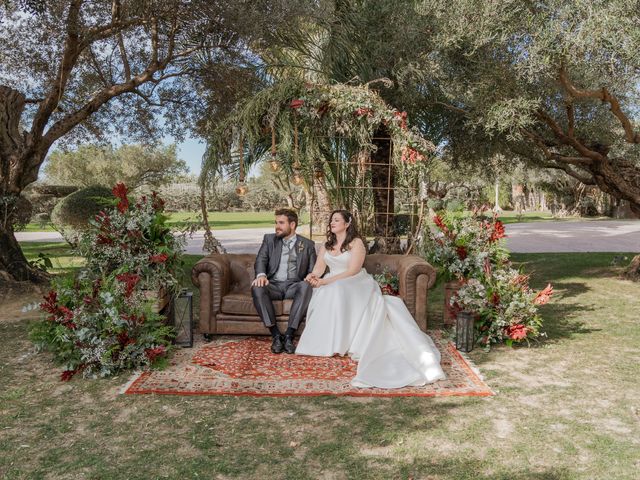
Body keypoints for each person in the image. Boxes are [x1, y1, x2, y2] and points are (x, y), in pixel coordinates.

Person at [296, 210, 446, 388]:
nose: (332, 223)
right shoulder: (326, 244)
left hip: (355, 281)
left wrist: (325, 281)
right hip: (332, 281)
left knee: (335, 289)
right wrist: (312, 276)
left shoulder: (356, 243)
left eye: (336, 220)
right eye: (331, 220)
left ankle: (342, 343)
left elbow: (352, 270)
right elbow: (319, 267)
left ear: (347, 223)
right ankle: (326, 343)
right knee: (326, 291)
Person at [251, 208, 317, 354]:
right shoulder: (269, 239)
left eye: (281, 223)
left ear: (292, 225)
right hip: (273, 285)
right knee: (257, 287)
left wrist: (310, 275)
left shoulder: (307, 245)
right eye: (276, 223)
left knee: (306, 286)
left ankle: (289, 335)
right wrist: (261, 275)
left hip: (294, 285)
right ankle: (275, 335)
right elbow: (261, 259)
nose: (277, 226)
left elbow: (313, 269)